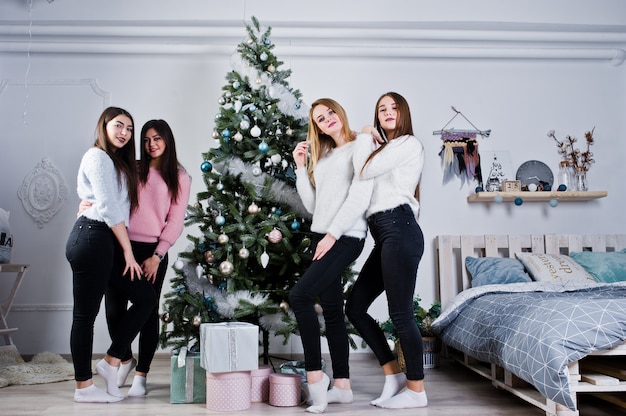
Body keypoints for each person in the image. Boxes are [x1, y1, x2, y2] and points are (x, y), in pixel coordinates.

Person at [79, 120, 191, 397]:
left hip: (153, 252)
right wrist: (84, 203)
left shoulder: (179, 176)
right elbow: (108, 198)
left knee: (148, 311)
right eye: (146, 139)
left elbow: (175, 221)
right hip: (120, 246)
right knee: (114, 309)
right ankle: (124, 360)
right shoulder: (132, 168)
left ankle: (141, 375)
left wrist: (157, 255)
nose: (151, 144)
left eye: (157, 139)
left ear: (167, 140)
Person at [289, 98, 373, 414]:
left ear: (339, 111)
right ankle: (342, 387)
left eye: (330, 113)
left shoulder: (360, 144)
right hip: (321, 234)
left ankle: (315, 382)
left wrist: (333, 234)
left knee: (299, 297)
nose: (327, 120)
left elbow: (359, 196)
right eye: (320, 120)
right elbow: (313, 206)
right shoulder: (324, 156)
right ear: (317, 128)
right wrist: (300, 167)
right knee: (333, 311)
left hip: (346, 235)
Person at [345, 92, 428, 409]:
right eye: (382, 109)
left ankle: (416, 391)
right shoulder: (385, 150)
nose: (388, 112)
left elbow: (363, 170)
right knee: (354, 307)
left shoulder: (408, 144)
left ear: (404, 113)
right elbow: (360, 175)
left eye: (394, 107)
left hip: (400, 230)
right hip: (385, 235)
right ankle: (393, 373)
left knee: (401, 314)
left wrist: (365, 135)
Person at [66, 106, 142, 403]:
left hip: (102, 238)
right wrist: (129, 251)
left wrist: (87, 204)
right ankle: (83, 387)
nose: (124, 132)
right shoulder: (96, 156)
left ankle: (111, 362)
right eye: (119, 126)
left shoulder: (115, 162)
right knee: (85, 315)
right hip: (93, 237)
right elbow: (108, 207)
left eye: (129, 128)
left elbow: (96, 198)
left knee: (145, 298)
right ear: (104, 126)